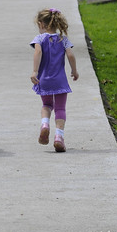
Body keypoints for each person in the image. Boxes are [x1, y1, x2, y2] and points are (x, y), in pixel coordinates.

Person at [30, 8, 79, 152]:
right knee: (60, 108)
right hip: (60, 81)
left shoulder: (39, 39)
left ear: (41, 24)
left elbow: (37, 52)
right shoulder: (63, 39)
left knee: (46, 104)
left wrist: (35, 71)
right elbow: (70, 55)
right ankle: (59, 137)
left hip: (43, 79)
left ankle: (45, 124)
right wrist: (74, 70)